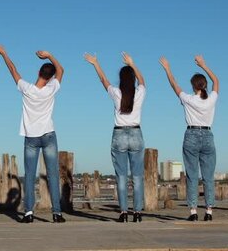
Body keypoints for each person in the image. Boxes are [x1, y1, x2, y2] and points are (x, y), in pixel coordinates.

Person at [0, 45, 66, 224]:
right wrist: (49, 55)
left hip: (31, 137)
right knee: (52, 175)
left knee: (30, 175)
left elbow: (12, 69)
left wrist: (4, 53)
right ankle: (57, 213)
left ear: (39, 72)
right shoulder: (51, 89)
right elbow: (61, 70)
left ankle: (29, 213)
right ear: (50, 78)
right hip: (48, 135)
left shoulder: (27, 89)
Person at [84, 52, 146, 223]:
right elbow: (143, 81)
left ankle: (124, 212)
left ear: (120, 79)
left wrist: (96, 63)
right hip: (136, 133)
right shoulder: (139, 93)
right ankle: (138, 212)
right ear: (132, 78)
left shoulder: (116, 93)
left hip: (119, 133)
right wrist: (132, 64)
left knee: (121, 177)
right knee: (138, 177)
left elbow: (103, 80)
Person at [160, 55, 219, 221]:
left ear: (193, 86)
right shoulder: (211, 99)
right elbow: (217, 81)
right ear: (204, 85)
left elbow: (174, 85)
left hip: (191, 135)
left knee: (192, 176)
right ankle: (209, 211)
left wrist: (167, 68)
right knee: (208, 177)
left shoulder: (188, 99)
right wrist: (204, 65)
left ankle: (193, 212)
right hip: (208, 135)